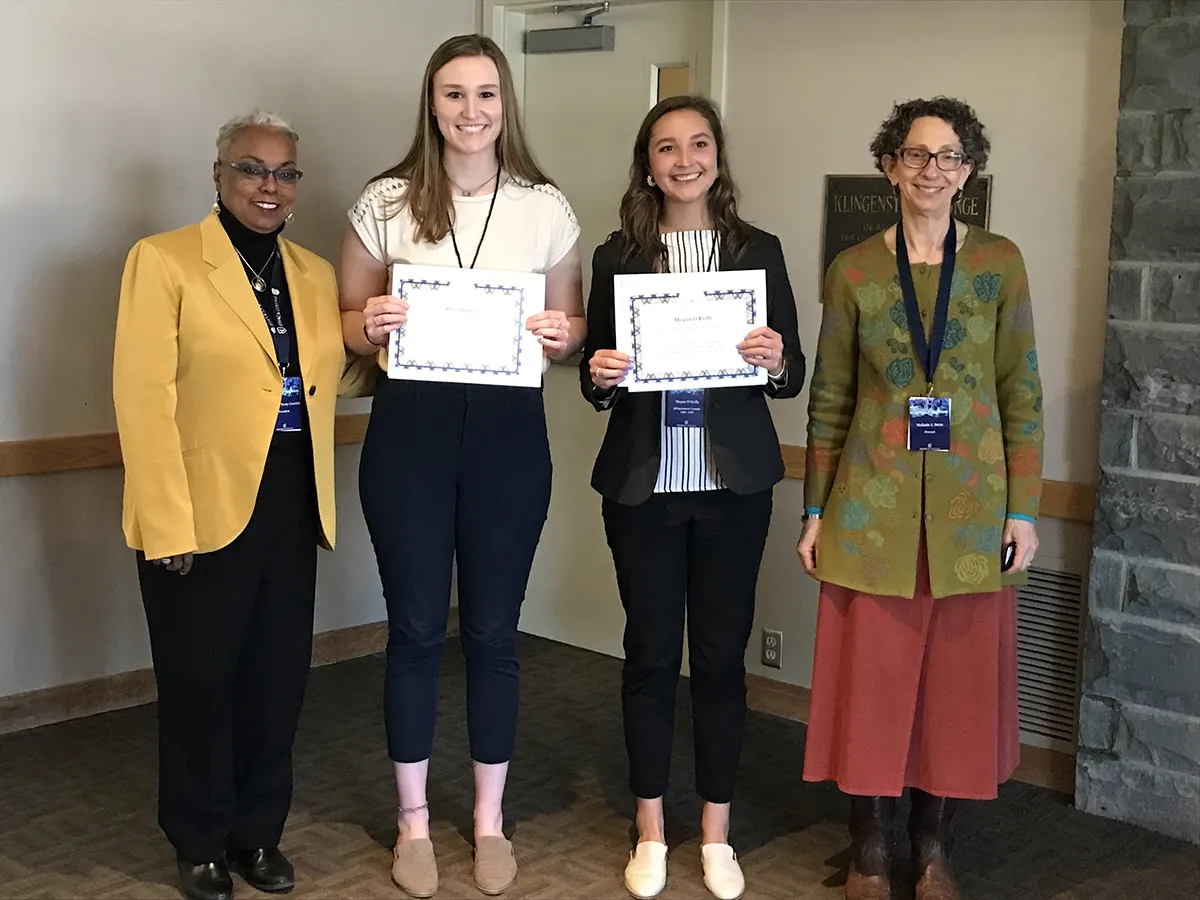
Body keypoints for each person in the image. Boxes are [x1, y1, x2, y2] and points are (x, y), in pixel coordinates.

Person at [337, 34, 584, 899]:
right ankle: (412, 822)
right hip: (410, 432)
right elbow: (345, 321)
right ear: (430, 103)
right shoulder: (386, 199)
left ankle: (486, 819)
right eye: (453, 94)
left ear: (505, 103)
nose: (470, 111)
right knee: (411, 632)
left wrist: (563, 338)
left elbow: (571, 329)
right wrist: (369, 322)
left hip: (510, 438)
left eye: (485, 94)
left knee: (490, 634)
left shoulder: (545, 206)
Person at [797, 97, 1043, 900]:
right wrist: (812, 510)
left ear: (968, 172)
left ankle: (931, 844)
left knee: (952, 692)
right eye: (915, 155)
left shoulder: (1001, 264)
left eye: (948, 158)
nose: (931, 171)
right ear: (889, 166)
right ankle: (868, 844)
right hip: (871, 512)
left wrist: (1026, 508)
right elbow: (829, 397)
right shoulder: (856, 271)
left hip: (972, 515)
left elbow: (1023, 392)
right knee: (872, 687)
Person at [113, 111, 343, 900]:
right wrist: (164, 522)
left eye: (284, 173)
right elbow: (143, 401)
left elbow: (330, 377)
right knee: (200, 683)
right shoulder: (165, 261)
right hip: (198, 508)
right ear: (218, 177)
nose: (269, 186)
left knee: (277, 682)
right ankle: (199, 839)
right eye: (251, 169)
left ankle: (256, 835)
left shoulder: (312, 274)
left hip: (290, 502)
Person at [581, 95, 804, 900]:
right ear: (648, 163)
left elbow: (791, 375)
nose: (684, 159)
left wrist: (775, 358)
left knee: (719, 663)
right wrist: (601, 378)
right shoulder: (617, 257)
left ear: (717, 156)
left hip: (732, 490)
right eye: (667, 147)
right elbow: (594, 378)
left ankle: (714, 830)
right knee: (647, 659)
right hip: (644, 489)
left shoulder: (759, 250)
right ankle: (649, 830)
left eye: (699, 143)